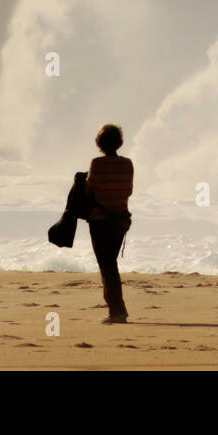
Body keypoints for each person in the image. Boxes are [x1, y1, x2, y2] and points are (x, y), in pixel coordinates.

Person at [85, 123, 133, 323]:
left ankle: (117, 310)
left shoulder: (96, 163)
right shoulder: (128, 163)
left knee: (107, 265)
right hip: (120, 220)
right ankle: (113, 305)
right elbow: (128, 191)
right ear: (119, 143)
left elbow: (89, 190)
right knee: (109, 263)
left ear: (100, 144)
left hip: (100, 221)